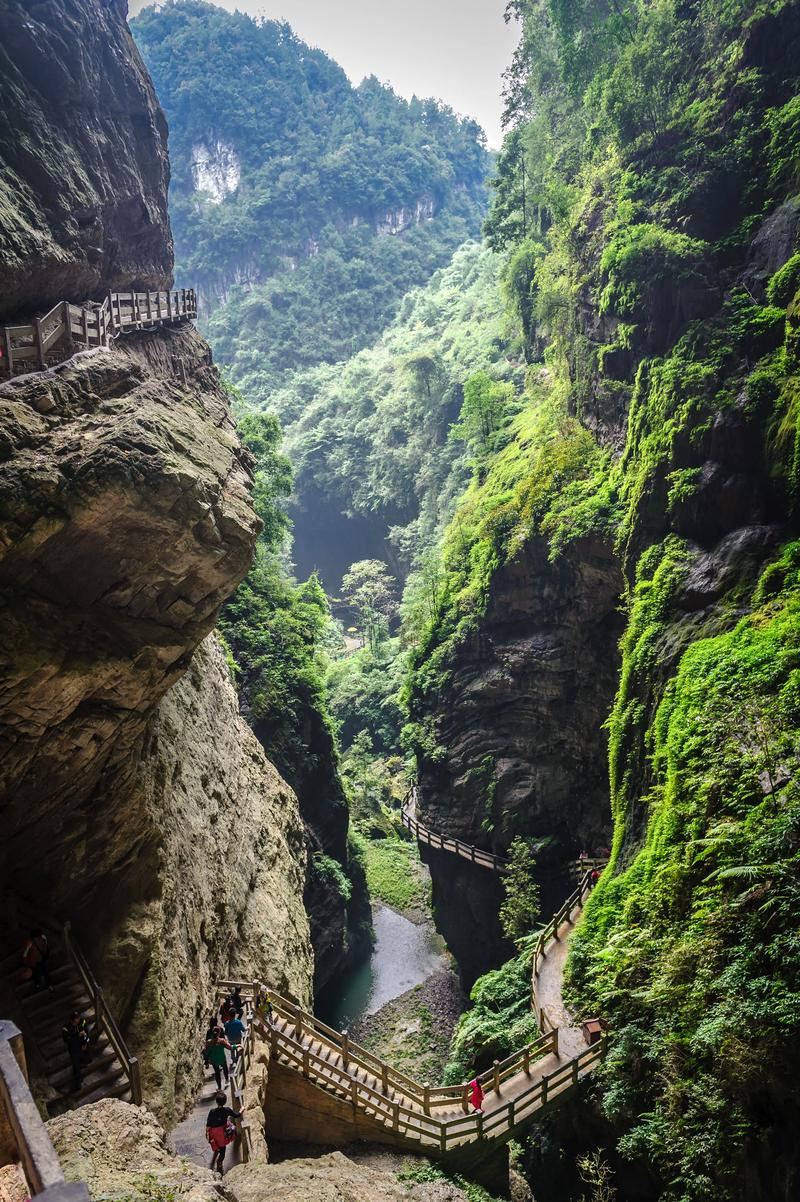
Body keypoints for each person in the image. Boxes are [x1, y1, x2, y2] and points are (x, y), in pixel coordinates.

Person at [205, 1089, 239, 1174]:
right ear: (225, 1101)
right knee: (223, 1150)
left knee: (216, 1144)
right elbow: (236, 1115)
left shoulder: (212, 1111)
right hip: (221, 1134)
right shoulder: (227, 1110)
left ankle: (217, 1149)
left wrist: (207, 1133)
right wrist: (242, 1110)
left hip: (213, 1133)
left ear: (216, 1102)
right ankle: (219, 1162)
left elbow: (208, 1124)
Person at [62, 1010, 90, 1091]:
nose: (78, 1020)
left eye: (78, 1018)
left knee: (86, 1059)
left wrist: (85, 1043)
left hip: (83, 1046)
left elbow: (87, 1033)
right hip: (74, 1049)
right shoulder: (66, 1029)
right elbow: (68, 1041)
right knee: (76, 1066)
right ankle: (77, 1084)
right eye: (76, 1019)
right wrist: (77, 1035)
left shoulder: (82, 1022)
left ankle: (83, 1065)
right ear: (71, 1020)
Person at [23, 928, 51, 992]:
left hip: (37, 960)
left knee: (42, 972)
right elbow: (45, 947)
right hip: (36, 961)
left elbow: (45, 948)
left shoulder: (39, 940)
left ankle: (41, 984)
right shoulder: (39, 940)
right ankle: (42, 984)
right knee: (40, 972)